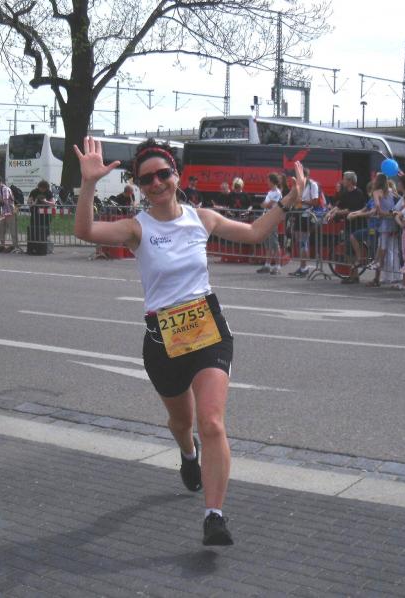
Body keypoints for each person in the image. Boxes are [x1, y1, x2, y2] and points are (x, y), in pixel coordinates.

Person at [73, 136, 305, 546]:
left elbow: (254, 232)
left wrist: (289, 200)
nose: (157, 183)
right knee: (182, 423)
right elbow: (85, 230)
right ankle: (187, 452)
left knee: (211, 421)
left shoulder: (203, 219)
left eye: (163, 174)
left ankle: (214, 516)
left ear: (177, 175)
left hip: (207, 329)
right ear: (139, 186)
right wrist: (89, 183)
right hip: (162, 338)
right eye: (147, 179)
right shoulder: (137, 227)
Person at [324, 171, 366, 282]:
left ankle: (354, 275)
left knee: (352, 250)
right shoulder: (345, 193)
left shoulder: (358, 193)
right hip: (348, 224)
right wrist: (330, 212)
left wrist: (336, 213)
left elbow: (351, 210)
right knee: (347, 251)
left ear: (350, 181)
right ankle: (354, 276)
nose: (342, 181)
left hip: (357, 224)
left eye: (344, 179)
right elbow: (339, 205)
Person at [289, 168, 322, 277]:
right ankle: (302, 267)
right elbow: (298, 201)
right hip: (299, 214)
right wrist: (296, 204)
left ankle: (304, 268)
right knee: (300, 241)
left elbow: (315, 202)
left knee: (304, 242)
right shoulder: (300, 185)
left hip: (307, 215)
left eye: (299, 176)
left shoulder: (313, 185)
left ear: (305, 176)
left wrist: (301, 201)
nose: (298, 178)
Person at [257, 173, 287, 275]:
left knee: (274, 242)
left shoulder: (278, 193)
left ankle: (278, 265)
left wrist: (266, 204)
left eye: (268, 180)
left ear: (272, 181)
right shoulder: (270, 192)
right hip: (266, 218)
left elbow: (269, 205)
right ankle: (267, 265)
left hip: (273, 219)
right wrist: (266, 204)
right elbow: (264, 205)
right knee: (267, 243)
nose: (267, 182)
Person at [0, 175, 20, 253]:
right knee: (0, 229)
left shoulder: (5, 189)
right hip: (4, 213)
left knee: (13, 230)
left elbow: (5, 200)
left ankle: (15, 246)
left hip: (11, 212)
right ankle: (2, 245)